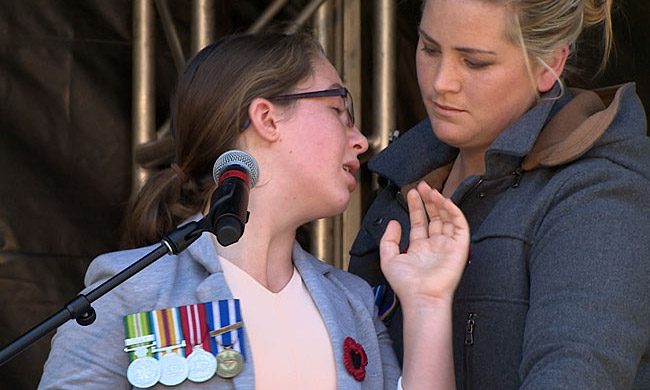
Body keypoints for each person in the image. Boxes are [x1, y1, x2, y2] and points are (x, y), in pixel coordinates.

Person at [38, 31, 470, 390]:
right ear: (267, 118)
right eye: (340, 110)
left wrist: (428, 304)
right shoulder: (129, 288)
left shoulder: (353, 300)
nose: (360, 140)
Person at [348, 0, 650, 389]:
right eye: (430, 48)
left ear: (548, 66)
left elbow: (574, 374)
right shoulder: (399, 183)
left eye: (474, 62)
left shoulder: (598, 201)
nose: (441, 81)